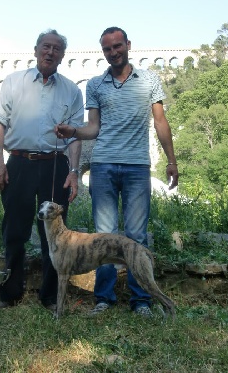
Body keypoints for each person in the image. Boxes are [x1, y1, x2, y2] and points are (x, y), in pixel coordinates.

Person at [55, 26, 179, 317]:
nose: (113, 53)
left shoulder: (149, 79)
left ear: (128, 45)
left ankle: (141, 302)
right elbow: (94, 127)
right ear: (103, 52)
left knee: (136, 235)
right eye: (107, 49)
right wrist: (73, 130)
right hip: (103, 166)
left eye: (117, 46)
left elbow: (160, 122)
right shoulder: (95, 85)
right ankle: (104, 299)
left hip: (137, 167)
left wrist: (172, 161)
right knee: (103, 236)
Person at [0, 29, 84, 309]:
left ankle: (49, 296)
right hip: (19, 163)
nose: (50, 52)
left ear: (62, 56)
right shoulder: (13, 82)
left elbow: (75, 136)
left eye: (56, 48)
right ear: (35, 50)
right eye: (46, 46)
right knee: (15, 229)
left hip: (55, 166)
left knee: (54, 234)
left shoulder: (71, 89)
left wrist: (74, 172)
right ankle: (10, 293)